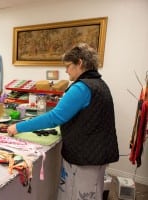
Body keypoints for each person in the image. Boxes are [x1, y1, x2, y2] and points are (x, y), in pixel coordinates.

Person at [7, 43, 119, 200]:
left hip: (84, 158)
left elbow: (54, 118)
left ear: (79, 63)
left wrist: (17, 127)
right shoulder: (100, 84)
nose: (66, 71)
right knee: (93, 192)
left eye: (68, 66)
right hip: (98, 154)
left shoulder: (82, 87)